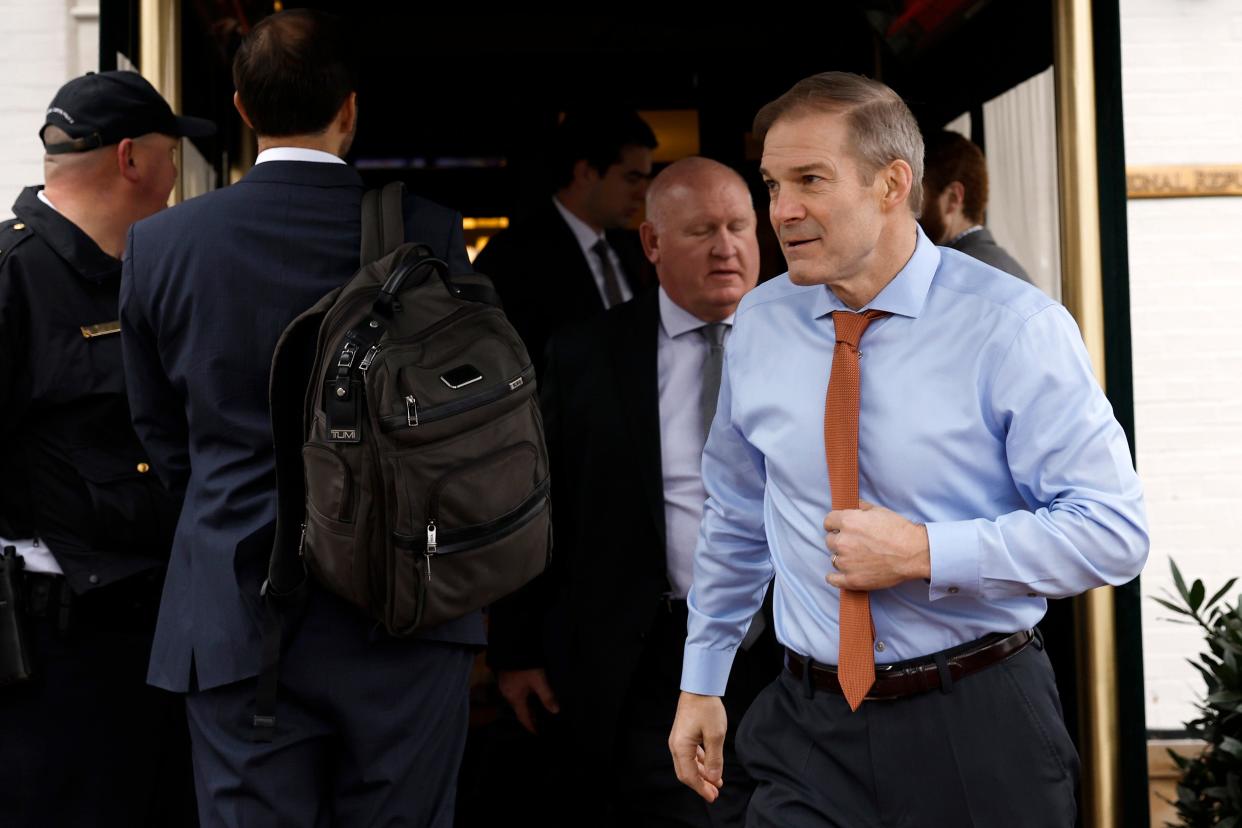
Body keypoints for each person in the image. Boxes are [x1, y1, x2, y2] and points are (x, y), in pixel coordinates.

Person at [667, 72, 1148, 827]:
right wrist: (703, 679)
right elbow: (735, 515)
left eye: (810, 181)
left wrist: (926, 552)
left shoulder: (1013, 327)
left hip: (976, 721)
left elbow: (1113, 533)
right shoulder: (759, 324)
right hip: (806, 726)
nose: (782, 210)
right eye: (773, 184)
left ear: (893, 184)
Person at [119, 10, 480, 826]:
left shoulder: (163, 245)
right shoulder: (427, 233)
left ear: (241, 110)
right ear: (350, 109)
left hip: (235, 610)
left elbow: (161, 437)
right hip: (409, 605)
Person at [490, 157, 780, 827]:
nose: (727, 247)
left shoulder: (813, 340)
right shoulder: (585, 354)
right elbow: (538, 502)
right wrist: (516, 648)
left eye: (740, 226)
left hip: (784, 647)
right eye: (702, 229)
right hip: (646, 652)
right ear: (652, 243)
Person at [0, 70, 211, 826]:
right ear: (132, 159)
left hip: (155, 635)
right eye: (171, 149)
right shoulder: (14, 276)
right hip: (55, 659)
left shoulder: (148, 275)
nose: (177, 169)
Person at [472, 108, 657, 367]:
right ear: (586, 173)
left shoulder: (632, 249)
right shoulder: (513, 257)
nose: (643, 193)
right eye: (632, 178)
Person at [920, 129, 1031, 282]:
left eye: (916, 197)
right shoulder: (1002, 265)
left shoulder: (955, 274)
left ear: (953, 198)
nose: (910, 211)